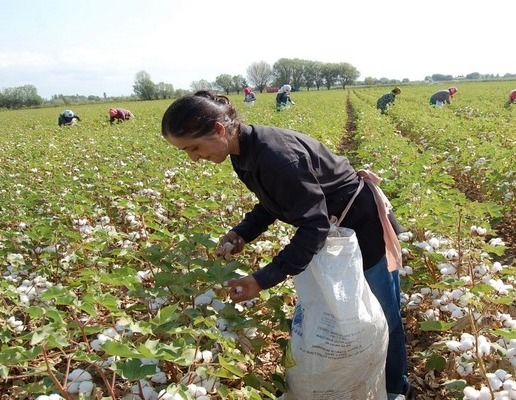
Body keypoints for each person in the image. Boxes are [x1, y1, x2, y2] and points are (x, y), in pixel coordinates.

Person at [160, 91, 411, 400]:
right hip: (334, 225)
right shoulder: (243, 153)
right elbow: (271, 203)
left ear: (219, 130)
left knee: (383, 314)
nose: (194, 158)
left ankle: (396, 389)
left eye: (193, 148)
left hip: (362, 227)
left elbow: (314, 226)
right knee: (353, 317)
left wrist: (261, 280)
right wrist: (242, 233)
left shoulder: (277, 157)